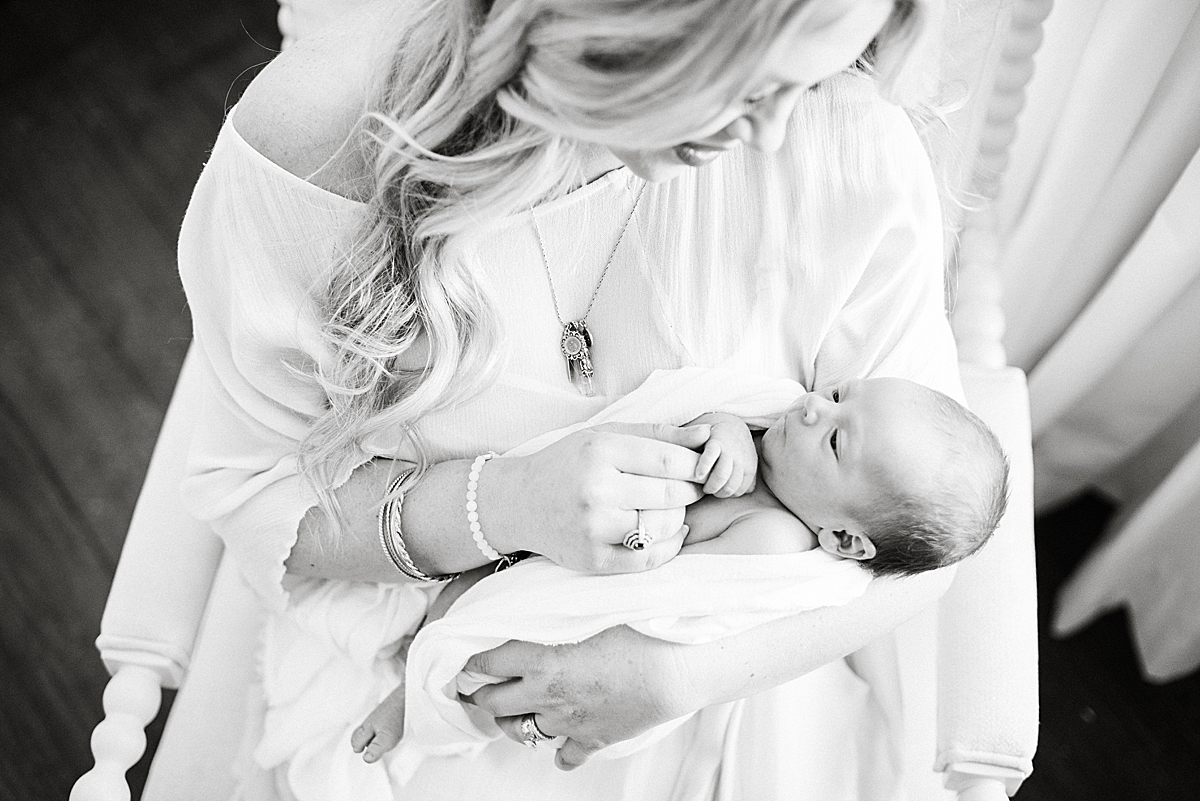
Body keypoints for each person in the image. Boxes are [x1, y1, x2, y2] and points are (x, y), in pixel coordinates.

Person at [176, 0, 972, 797]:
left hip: (749, 669)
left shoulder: (846, 136)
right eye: (749, 80)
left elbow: (928, 539)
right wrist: (503, 503)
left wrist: (673, 677)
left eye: (807, 77)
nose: (769, 135)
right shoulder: (326, 148)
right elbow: (260, 498)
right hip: (419, 644)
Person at [348, 371, 1009, 770]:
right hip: (563, 530)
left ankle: (415, 694)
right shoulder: (773, 435)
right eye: (838, 395)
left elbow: (681, 593)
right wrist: (722, 430)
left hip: (595, 598)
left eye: (836, 438)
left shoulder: (776, 540)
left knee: (484, 635)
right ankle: (420, 650)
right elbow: (702, 424)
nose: (812, 407)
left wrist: (716, 472)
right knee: (463, 592)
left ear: (842, 537)